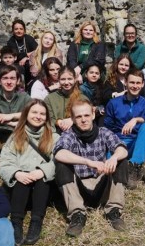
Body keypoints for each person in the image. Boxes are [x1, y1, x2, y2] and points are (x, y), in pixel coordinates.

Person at [53, 99, 129, 236]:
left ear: (93, 115)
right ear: (73, 119)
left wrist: (114, 157)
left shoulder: (103, 132)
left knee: (121, 160)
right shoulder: (69, 135)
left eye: (86, 115)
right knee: (61, 165)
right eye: (79, 117)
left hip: (101, 185)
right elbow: (59, 153)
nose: (83, 120)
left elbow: (122, 149)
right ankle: (77, 215)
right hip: (79, 188)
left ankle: (113, 211)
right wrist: (89, 162)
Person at [0, 99, 59, 246]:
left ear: (47, 117)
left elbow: (58, 160)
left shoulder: (54, 137)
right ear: (26, 114)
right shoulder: (15, 137)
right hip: (20, 188)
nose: (38, 116)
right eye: (34, 112)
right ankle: (16, 222)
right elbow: (4, 161)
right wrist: (17, 173)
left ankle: (36, 221)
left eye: (42, 114)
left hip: (42, 189)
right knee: (22, 177)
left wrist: (43, 171)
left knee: (42, 179)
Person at [104, 69, 145, 188]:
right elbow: (107, 126)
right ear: (126, 83)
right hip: (117, 143)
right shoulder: (113, 103)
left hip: (137, 144)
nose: (135, 86)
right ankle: (140, 171)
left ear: (142, 84)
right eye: (132, 82)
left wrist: (136, 119)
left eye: (138, 83)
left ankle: (135, 165)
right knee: (109, 167)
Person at [44, 66, 89, 133]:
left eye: (69, 79)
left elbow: (88, 118)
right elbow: (47, 117)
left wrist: (73, 120)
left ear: (75, 79)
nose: (66, 82)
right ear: (58, 80)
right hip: (56, 134)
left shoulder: (83, 99)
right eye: (63, 79)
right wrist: (58, 122)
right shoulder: (49, 98)